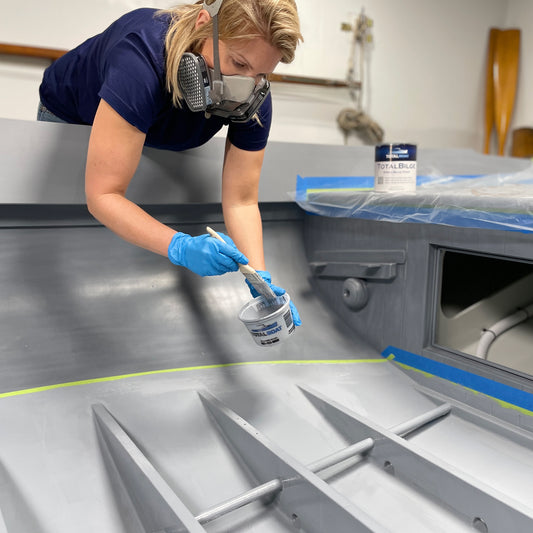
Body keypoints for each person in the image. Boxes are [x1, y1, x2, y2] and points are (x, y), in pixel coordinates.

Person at [37, 0, 302, 325]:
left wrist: (261, 281)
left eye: (262, 72)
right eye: (238, 62)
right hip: (75, 117)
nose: (245, 87)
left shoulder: (252, 92)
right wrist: (180, 247)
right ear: (203, 23)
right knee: (63, 232)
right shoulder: (141, 58)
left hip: (152, 128)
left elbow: (242, 200)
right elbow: (103, 195)